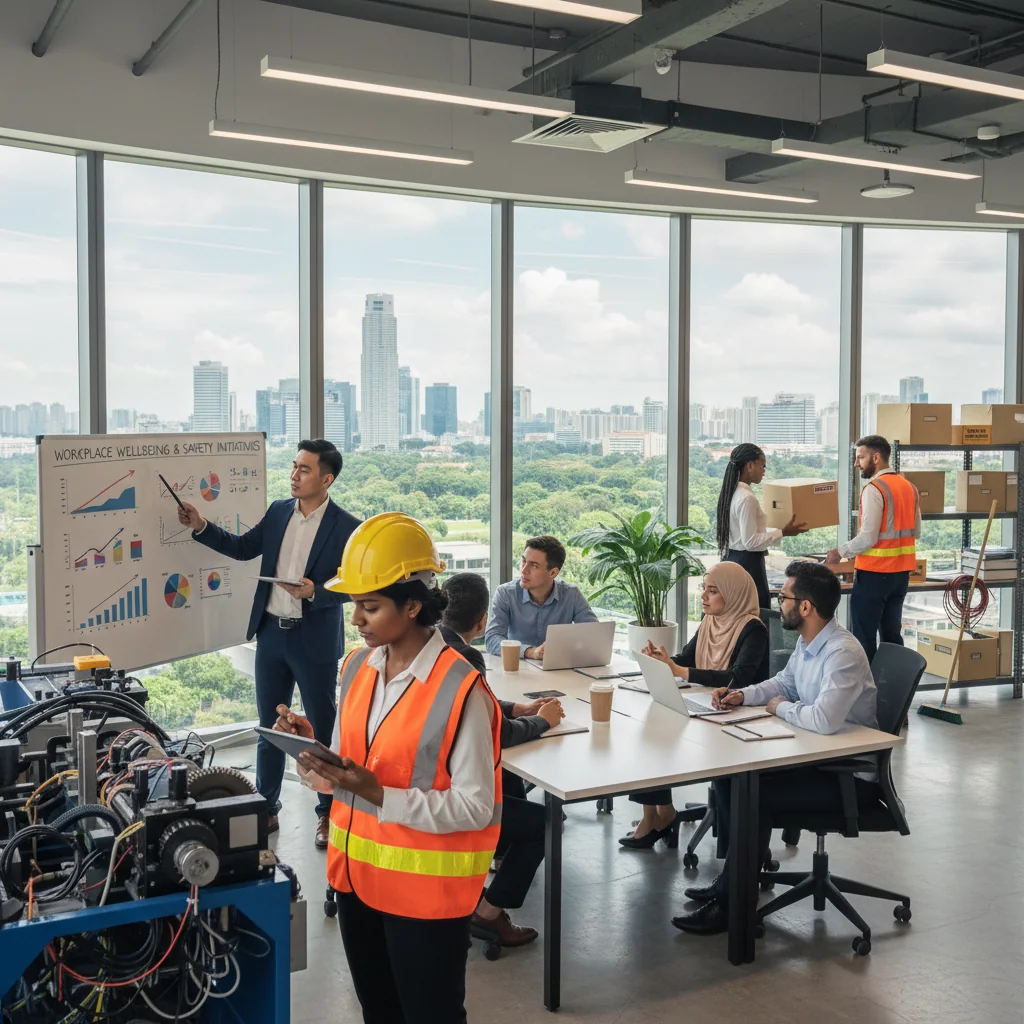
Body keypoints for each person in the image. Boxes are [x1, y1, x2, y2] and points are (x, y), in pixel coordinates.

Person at [275, 513, 502, 1024]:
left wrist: (378, 793)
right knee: (379, 1011)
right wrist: (313, 751)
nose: (356, 618)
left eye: (370, 606)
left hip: (424, 896)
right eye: (355, 604)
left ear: (412, 605)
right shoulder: (357, 666)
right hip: (356, 881)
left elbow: (475, 806)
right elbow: (347, 769)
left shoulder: (462, 689)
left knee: (430, 1015)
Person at [670, 561, 878, 936]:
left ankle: (733, 907)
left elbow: (824, 720)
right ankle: (730, 885)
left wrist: (778, 707)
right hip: (815, 756)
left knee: (756, 794)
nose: (777, 603)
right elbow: (784, 682)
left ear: (805, 608)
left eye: (784, 597)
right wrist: (742, 695)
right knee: (732, 778)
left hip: (846, 775)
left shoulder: (841, 653)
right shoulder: (809, 641)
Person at [176, 438, 359, 847]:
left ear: (326, 479)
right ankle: (266, 806)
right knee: (270, 729)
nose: (294, 475)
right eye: (294, 467)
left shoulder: (348, 526)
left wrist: (317, 591)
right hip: (272, 635)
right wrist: (200, 525)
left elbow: (358, 586)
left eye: (305, 470)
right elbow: (243, 548)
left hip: (314, 641)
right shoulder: (279, 511)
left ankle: (328, 814)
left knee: (322, 732)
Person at [440, 571, 562, 948]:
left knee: (509, 784)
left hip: (425, 788)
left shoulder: (431, 645)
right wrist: (540, 721)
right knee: (547, 822)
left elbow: (481, 707)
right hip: (455, 796)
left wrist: (516, 707)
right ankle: (488, 912)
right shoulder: (463, 657)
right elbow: (499, 734)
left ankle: (486, 870)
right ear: (481, 623)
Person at [619, 562, 769, 849]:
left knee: (661, 731)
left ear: (734, 594)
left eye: (713, 591)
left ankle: (661, 818)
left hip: (738, 716)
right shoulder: (710, 620)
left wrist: (678, 671)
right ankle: (656, 812)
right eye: (704, 589)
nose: (704, 596)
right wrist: (664, 660)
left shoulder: (753, 630)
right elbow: (688, 658)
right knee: (654, 731)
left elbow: (737, 677)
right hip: (706, 706)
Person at [826, 434, 921, 664]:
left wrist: (839, 552)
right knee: (891, 637)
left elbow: (868, 537)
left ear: (876, 457)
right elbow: (916, 531)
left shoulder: (874, 489)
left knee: (863, 637)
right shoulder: (909, 487)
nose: (857, 463)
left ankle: (865, 692)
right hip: (901, 576)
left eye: (861, 457)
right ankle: (893, 692)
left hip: (874, 575)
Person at [716, 442, 808, 608]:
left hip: (732, 559)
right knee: (756, 612)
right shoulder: (746, 498)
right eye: (762, 465)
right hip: (747, 563)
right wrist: (783, 532)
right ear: (750, 465)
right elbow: (750, 542)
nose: (764, 471)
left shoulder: (732, 493)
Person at [484, 535, 597, 661]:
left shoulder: (571, 594)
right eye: (523, 561)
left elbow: (594, 635)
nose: (524, 570)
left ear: (553, 573)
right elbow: (492, 640)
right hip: (518, 670)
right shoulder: (505, 593)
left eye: (534, 565)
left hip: (559, 670)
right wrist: (530, 652)